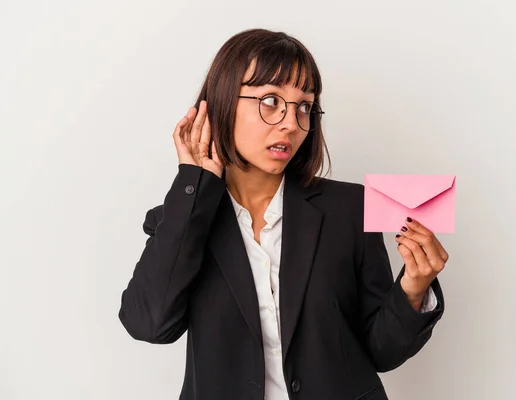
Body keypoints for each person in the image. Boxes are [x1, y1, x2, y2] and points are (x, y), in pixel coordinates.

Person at [118, 28, 448, 400]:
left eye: (304, 106)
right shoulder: (181, 219)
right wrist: (193, 183)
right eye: (271, 100)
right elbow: (148, 324)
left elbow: (379, 352)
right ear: (222, 104)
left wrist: (413, 290)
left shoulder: (349, 209)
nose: (292, 123)